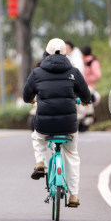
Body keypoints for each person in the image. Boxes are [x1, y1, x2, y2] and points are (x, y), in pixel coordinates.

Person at [23, 38, 91, 207]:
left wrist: (33, 99)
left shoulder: (37, 72)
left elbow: (26, 96)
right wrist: (83, 100)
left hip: (44, 125)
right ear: (66, 53)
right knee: (72, 155)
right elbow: (86, 95)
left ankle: (40, 162)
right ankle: (74, 195)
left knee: (37, 137)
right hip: (68, 125)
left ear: (46, 52)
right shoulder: (73, 72)